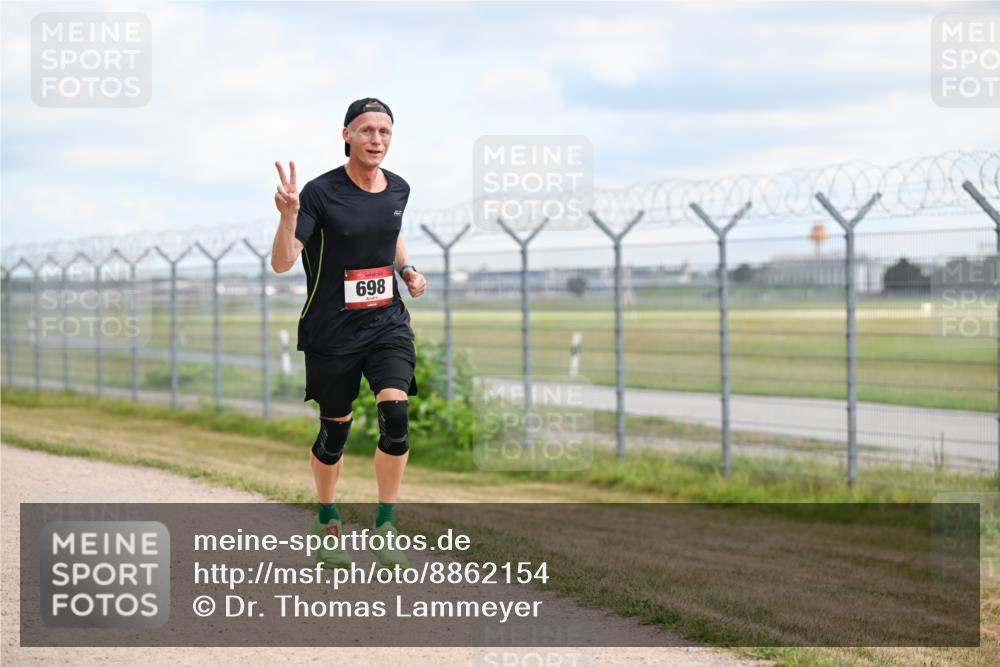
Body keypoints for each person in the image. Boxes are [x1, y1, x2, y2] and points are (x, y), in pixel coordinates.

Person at [270, 97, 427, 569]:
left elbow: (389, 231)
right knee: (334, 432)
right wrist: (288, 215)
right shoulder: (319, 193)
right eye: (366, 130)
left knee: (395, 415)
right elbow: (282, 263)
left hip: (386, 324)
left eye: (384, 131)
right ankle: (328, 518)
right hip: (331, 331)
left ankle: (385, 524)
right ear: (347, 136)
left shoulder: (398, 188)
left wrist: (408, 270)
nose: (376, 139)